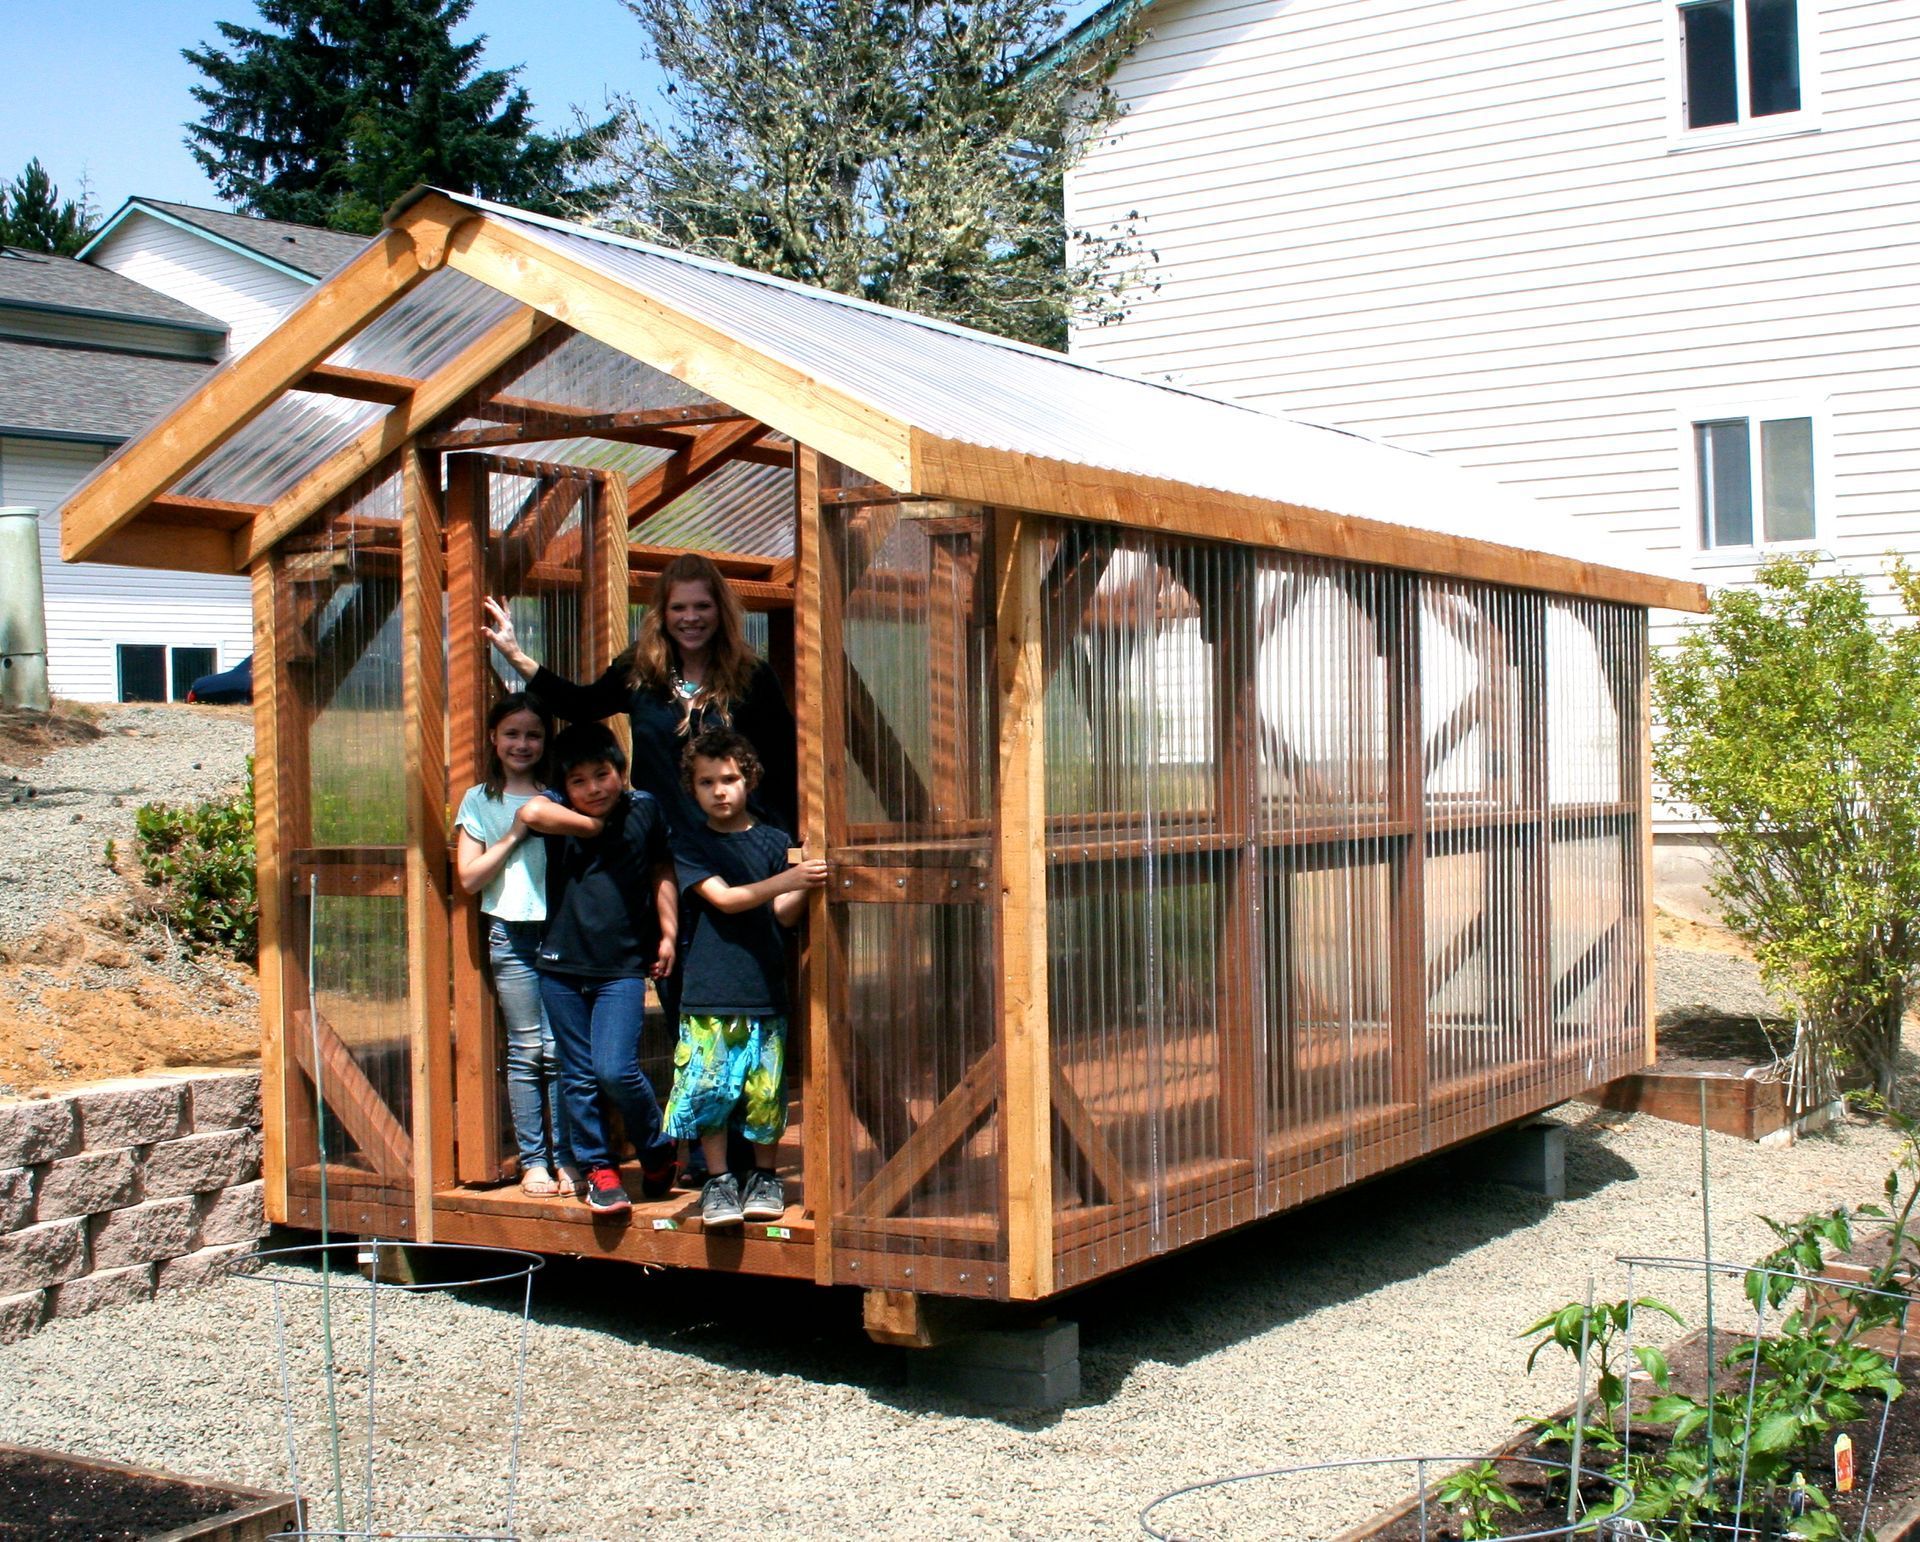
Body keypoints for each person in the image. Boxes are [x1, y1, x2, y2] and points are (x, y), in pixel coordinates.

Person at [480, 553, 797, 840]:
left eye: (702, 606)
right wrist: (515, 655)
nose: (690, 617)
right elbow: (581, 706)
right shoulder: (638, 670)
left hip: (739, 840)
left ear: (720, 611)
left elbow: (782, 762)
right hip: (664, 842)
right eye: (678, 607)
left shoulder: (754, 676)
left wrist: (782, 840)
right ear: (662, 613)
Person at [663, 727, 826, 1227]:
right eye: (706, 782)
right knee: (710, 1092)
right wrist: (791, 878)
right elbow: (728, 900)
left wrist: (809, 878)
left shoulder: (775, 840)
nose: (719, 790)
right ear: (691, 789)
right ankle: (718, 1181)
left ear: (748, 779)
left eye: (729, 778)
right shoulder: (690, 843)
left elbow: (783, 914)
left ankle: (764, 1179)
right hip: (709, 990)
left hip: (764, 990)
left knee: (764, 1092)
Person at [452, 694, 599, 1198]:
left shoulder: (564, 794)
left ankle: (570, 1159)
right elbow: (469, 879)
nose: (522, 743)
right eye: (511, 734)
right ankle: (534, 1160)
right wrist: (516, 832)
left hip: (563, 934)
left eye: (533, 734)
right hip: (511, 932)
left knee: (564, 1050)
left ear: (546, 741)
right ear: (494, 738)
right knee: (528, 1049)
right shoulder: (479, 800)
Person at [535, 722, 680, 1218]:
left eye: (603, 774)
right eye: (579, 781)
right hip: (559, 966)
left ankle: (656, 1146)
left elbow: (663, 868)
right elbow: (530, 809)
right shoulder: (556, 815)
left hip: (620, 966)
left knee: (615, 1068)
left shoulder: (645, 810)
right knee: (576, 1074)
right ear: (564, 787)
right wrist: (589, 826)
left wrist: (668, 933)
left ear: (622, 772)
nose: (594, 788)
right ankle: (601, 1171)